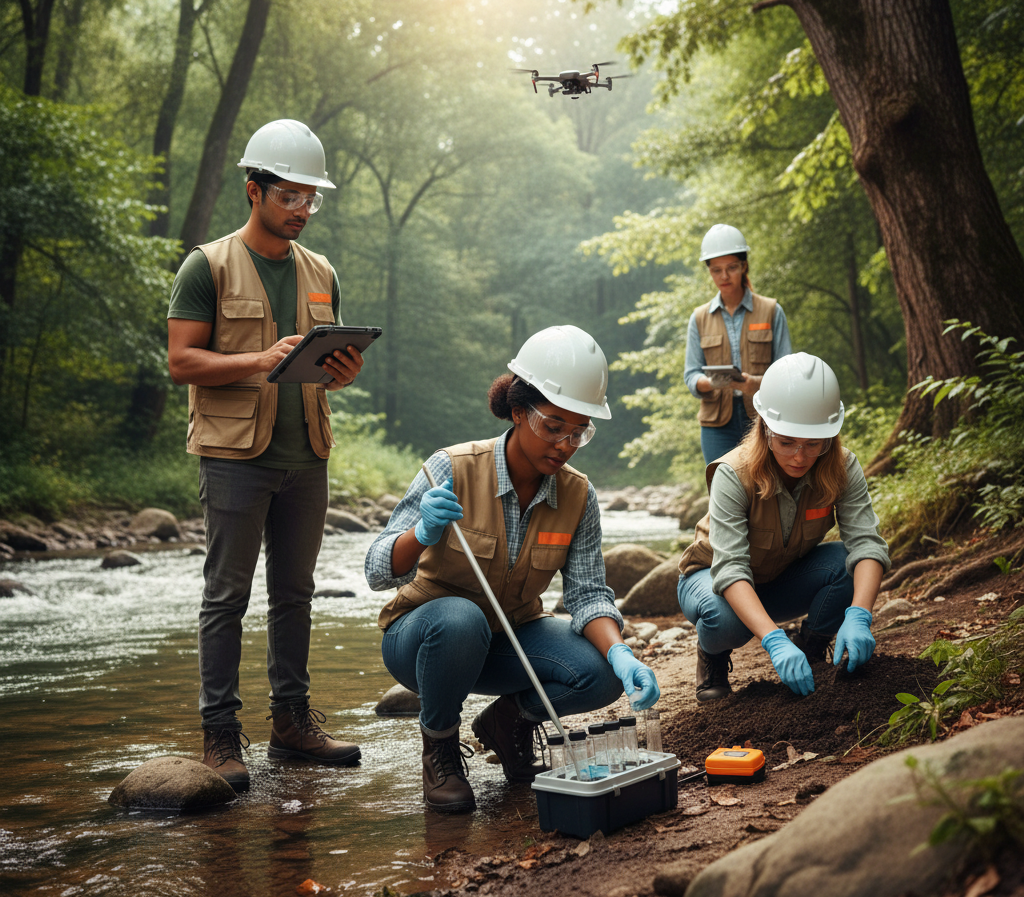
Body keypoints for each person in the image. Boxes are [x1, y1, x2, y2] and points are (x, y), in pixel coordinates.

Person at [364, 325, 661, 814]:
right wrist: (421, 535)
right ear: (519, 411)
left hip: (510, 640)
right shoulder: (451, 469)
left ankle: (509, 722)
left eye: (579, 431)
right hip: (424, 639)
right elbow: (378, 570)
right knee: (460, 618)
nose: (565, 444)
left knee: (602, 673)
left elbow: (588, 595)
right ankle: (440, 747)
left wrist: (623, 653)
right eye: (553, 426)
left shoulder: (579, 496)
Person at [167, 119, 365, 792]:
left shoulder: (322, 273)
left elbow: (322, 366)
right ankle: (220, 736)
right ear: (254, 191)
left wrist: (339, 371)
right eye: (291, 196)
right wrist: (257, 358)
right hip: (233, 458)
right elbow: (181, 361)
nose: (304, 210)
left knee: (296, 594)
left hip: (307, 454)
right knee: (226, 597)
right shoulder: (207, 266)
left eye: (312, 198)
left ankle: (291, 723)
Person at [675, 352, 891, 702]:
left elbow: (867, 544)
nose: (799, 457)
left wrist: (860, 614)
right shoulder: (733, 473)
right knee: (724, 621)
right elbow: (730, 569)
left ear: (830, 435)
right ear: (764, 426)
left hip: (780, 579)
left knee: (847, 564)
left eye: (813, 444)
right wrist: (773, 640)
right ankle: (712, 655)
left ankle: (811, 648)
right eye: (786, 441)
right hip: (712, 579)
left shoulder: (842, 466)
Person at [684, 224, 792, 465]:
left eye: (731, 268)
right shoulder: (699, 318)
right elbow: (691, 374)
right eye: (716, 270)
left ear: (744, 266)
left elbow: (787, 374)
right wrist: (709, 382)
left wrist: (754, 384)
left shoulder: (772, 311)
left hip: (765, 418)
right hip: (716, 427)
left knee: (765, 493)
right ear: (709, 271)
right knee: (723, 493)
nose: (724, 276)